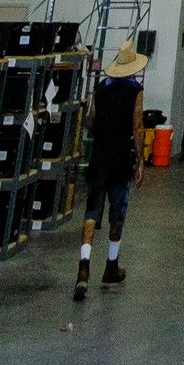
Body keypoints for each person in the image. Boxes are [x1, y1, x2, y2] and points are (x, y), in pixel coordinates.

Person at [73, 38, 147, 300]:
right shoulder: (135, 91)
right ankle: (111, 266)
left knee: (91, 211)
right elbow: (137, 126)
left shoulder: (101, 88)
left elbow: (90, 120)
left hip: (100, 155)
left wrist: (102, 132)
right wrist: (140, 159)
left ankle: (84, 267)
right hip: (120, 157)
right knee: (117, 211)